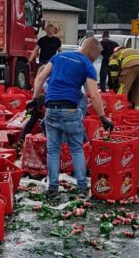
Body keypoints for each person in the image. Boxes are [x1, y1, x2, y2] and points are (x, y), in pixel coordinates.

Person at [31, 38, 114, 197]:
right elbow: (94, 95)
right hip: (70, 110)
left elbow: (40, 78)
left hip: (51, 109)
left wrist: (35, 99)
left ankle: (53, 188)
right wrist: (103, 117)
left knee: (53, 150)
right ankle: (82, 188)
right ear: (93, 55)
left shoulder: (58, 57)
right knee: (76, 149)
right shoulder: (87, 65)